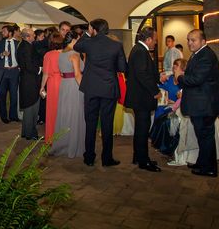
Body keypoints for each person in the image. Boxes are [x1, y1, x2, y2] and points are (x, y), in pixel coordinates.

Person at [74, 18, 127, 167]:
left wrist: (87, 34)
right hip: (108, 88)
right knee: (107, 124)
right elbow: (122, 67)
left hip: (91, 88)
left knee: (90, 123)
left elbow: (77, 46)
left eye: (90, 28)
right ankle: (107, 158)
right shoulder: (116, 45)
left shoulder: (89, 42)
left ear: (93, 29)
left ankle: (89, 157)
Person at [174, 29, 219, 177]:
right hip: (201, 104)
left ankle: (209, 168)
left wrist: (179, 76)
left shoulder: (206, 56)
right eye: (188, 40)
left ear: (203, 41)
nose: (189, 43)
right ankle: (203, 162)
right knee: (203, 136)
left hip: (205, 105)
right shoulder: (199, 54)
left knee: (206, 136)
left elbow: (196, 79)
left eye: (193, 40)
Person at [125, 26, 161, 172]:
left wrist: (158, 77)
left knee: (140, 129)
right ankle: (143, 161)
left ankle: (138, 156)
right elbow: (142, 74)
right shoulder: (140, 51)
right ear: (148, 39)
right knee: (142, 130)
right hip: (141, 97)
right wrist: (155, 91)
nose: (155, 43)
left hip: (139, 97)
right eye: (155, 40)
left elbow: (145, 72)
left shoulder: (138, 50)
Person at [51, 31, 85, 158]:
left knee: (65, 114)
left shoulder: (62, 53)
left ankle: (63, 143)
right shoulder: (74, 54)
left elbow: (61, 72)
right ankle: (73, 146)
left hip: (64, 85)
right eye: (78, 39)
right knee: (75, 114)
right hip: (74, 86)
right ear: (74, 40)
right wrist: (85, 89)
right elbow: (77, 74)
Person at [150, 59, 184, 157]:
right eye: (174, 65)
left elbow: (183, 98)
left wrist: (173, 102)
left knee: (166, 118)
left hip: (176, 106)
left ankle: (164, 144)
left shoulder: (183, 80)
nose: (174, 67)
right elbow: (161, 88)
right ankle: (157, 140)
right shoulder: (169, 78)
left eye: (176, 66)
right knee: (159, 110)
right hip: (166, 103)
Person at [18, 28, 41, 140]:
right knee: (31, 107)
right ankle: (30, 133)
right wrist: (39, 70)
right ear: (27, 37)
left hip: (27, 80)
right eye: (33, 35)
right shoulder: (26, 47)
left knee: (29, 107)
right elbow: (29, 65)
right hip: (29, 81)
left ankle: (27, 132)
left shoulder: (23, 45)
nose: (34, 37)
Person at [40, 34, 64, 142]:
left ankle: (51, 137)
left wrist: (42, 87)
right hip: (64, 83)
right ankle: (63, 137)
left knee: (52, 111)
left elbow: (45, 73)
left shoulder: (48, 55)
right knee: (63, 110)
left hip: (53, 83)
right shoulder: (66, 54)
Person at [0, 24, 20, 123]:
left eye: (4, 31)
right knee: (2, 95)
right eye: (2, 31)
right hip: (3, 72)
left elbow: (21, 57)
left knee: (14, 95)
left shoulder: (18, 43)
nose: (2, 33)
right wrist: (2, 54)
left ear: (10, 33)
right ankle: (4, 117)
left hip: (14, 71)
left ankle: (13, 115)